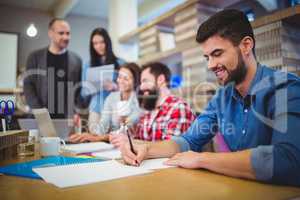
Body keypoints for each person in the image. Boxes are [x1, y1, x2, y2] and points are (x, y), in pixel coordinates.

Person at [120, 9, 300, 187]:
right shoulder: (222, 97)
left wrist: (202, 159)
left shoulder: (286, 88)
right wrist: (146, 148)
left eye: (217, 54)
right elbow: (189, 140)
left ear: (246, 45)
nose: (211, 65)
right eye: (207, 57)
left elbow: (288, 160)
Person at [110, 62, 195, 147]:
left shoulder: (178, 107)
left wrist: (131, 142)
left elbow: (171, 148)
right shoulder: (148, 112)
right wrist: (125, 138)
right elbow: (139, 140)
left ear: (160, 79)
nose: (141, 87)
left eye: (145, 81)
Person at [23, 18, 82, 118]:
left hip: (66, 117)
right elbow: (28, 86)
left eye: (68, 33)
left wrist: (76, 111)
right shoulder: (35, 57)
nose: (66, 37)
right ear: (50, 33)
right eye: (61, 33)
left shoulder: (77, 60)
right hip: (40, 116)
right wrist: (39, 112)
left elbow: (79, 89)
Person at [69, 63, 141, 143]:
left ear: (135, 81)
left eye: (126, 78)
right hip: (115, 143)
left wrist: (98, 138)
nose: (121, 81)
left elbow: (125, 132)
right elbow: (103, 125)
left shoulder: (139, 101)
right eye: (119, 77)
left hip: (132, 143)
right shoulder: (112, 97)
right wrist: (88, 135)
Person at [81, 27, 125, 133]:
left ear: (107, 42)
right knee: (95, 139)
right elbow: (83, 92)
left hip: (114, 109)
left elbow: (128, 88)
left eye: (102, 42)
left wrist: (115, 87)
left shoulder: (120, 63)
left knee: (115, 139)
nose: (99, 46)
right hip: (96, 108)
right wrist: (93, 86)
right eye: (95, 43)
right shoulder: (88, 65)